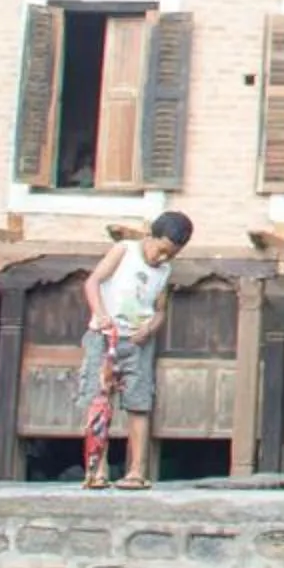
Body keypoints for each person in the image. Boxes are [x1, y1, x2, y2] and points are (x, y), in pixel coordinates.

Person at [80, 210, 191, 491]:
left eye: (172, 254)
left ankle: (136, 472)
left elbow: (160, 311)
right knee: (99, 400)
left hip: (138, 343)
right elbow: (92, 282)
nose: (163, 258)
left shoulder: (164, 272)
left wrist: (150, 329)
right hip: (104, 337)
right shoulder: (124, 251)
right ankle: (97, 470)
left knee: (139, 404)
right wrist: (101, 313)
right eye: (161, 250)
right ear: (149, 237)